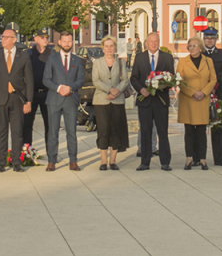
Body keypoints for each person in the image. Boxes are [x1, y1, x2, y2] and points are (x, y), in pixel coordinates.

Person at [0, 27, 33, 172]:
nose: (3, 40)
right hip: (0, 98)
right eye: (2, 37)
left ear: (14, 39)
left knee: (17, 132)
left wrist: (28, 101)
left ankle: (17, 162)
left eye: (6, 37)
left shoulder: (23, 56)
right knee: (2, 131)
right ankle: (1, 162)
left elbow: (29, 80)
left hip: (17, 98)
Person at [129, 32, 175, 171]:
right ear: (146, 43)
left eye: (156, 41)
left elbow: (171, 77)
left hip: (161, 101)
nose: (153, 44)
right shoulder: (139, 57)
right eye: (151, 41)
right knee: (145, 131)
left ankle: (165, 162)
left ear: (159, 42)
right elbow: (134, 78)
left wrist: (162, 85)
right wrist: (142, 90)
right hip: (145, 101)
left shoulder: (167, 57)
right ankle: (145, 162)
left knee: (163, 132)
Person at [43, 31, 85, 172]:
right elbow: (46, 79)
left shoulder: (77, 60)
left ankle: (73, 160)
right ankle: (52, 161)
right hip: (54, 99)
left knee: (71, 132)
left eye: (69, 41)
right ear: (59, 42)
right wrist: (59, 88)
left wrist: (70, 88)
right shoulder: (52, 59)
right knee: (53, 132)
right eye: (64, 41)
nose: (67, 43)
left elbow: (81, 80)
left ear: (72, 42)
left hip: (70, 100)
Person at [177, 37, 217, 171]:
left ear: (201, 48)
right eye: (190, 46)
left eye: (195, 46)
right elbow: (179, 80)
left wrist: (203, 92)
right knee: (189, 131)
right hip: (188, 100)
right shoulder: (182, 62)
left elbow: (213, 79)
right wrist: (193, 92)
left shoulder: (208, 61)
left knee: (201, 131)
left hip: (202, 100)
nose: (192, 48)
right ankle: (189, 159)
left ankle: (202, 159)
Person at [92, 36, 130, 171]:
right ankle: (103, 161)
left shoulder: (121, 63)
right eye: (106, 46)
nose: (109, 48)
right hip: (101, 101)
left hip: (117, 100)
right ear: (102, 48)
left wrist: (117, 90)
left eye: (111, 46)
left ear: (115, 48)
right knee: (103, 130)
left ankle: (113, 161)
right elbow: (95, 81)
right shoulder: (97, 63)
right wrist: (109, 89)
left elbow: (125, 80)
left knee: (116, 129)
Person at [203, 27, 222, 167]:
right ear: (203, 39)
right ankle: (199, 157)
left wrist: (213, 81)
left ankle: (219, 158)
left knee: (218, 128)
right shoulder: (200, 54)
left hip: (218, 95)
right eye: (207, 38)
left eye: (212, 38)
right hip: (202, 95)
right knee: (200, 128)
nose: (209, 40)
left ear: (216, 39)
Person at [22, 28, 51, 149]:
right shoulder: (28, 54)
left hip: (47, 94)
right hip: (31, 94)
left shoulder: (53, 54)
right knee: (26, 125)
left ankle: (51, 154)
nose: (45, 39)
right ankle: (26, 152)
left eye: (46, 37)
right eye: (42, 37)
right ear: (36, 39)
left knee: (50, 125)